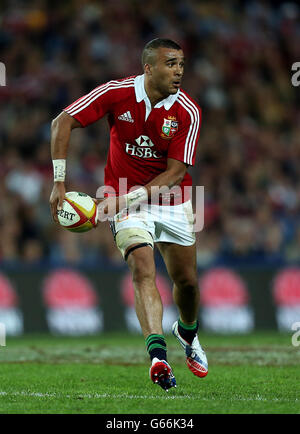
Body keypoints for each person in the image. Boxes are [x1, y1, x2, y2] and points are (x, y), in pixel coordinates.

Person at [49, 38, 208, 391]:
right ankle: (158, 357)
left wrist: (127, 199)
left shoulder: (188, 111)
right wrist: (59, 182)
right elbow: (62, 122)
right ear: (148, 68)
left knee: (187, 283)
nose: (179, 70)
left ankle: (187, 330)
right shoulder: (116, 93)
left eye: (181, 63)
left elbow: (176, 174)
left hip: (175, 200)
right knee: (142, 268)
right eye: (171, 63)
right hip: (121, 194)